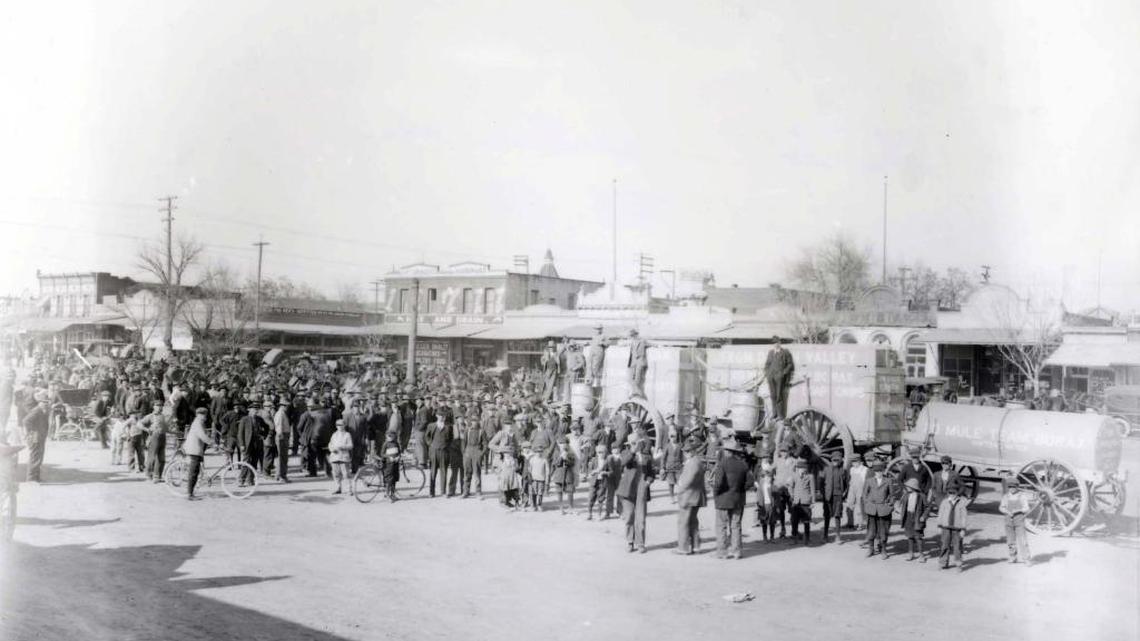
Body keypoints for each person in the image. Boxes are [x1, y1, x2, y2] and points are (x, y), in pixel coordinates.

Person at [712, 440, 751, 559]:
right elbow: (750, 482)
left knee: (721, 526)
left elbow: (718, 483)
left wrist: (715, 493)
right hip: (738, 499)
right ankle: (737, 551)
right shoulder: (743, 464)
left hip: (723, 499)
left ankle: (722, 552)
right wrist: (740, 489)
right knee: (736, 525)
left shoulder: (722, 463)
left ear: (728, 451)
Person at [617, 439, 656, 553]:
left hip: (641, 490)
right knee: (629, 516)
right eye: (633, 444)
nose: (635, 445)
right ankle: (630, 541)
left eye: (637, 443)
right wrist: (632, 452)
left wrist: (648, 482)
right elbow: (623, 462)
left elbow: (651, 473)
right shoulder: (626, 454)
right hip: (627, 490)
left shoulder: (647, 457)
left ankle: (640, 543)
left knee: (641, 518)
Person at [674, 438, 706, 555]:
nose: (686, 453)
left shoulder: (693, 462)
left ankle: (683, 548)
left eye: (688, 451)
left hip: (689, 497)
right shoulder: (696, 461)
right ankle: (696, 547)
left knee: (683, 522)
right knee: (693, 522)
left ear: (693, 451)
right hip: (695, 497)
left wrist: (680, 487)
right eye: (685, 451)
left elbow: (688, 481)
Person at [862, 462, 893, 558]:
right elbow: (864, 494)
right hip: (872, 509)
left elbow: (892, 495)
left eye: (880, 471)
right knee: (871, 530)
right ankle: (870, 549)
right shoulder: (869, 481)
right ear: (874, 472)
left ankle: (883, 550)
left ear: (883, 471)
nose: (878, 473)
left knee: (883, 531)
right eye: (876, 471)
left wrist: (890, 504)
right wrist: (867, 504)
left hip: (883, 509)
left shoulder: (888, 481)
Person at [998, 478, 1032, 565]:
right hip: (1008, 520)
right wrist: (1006, 511)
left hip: (1019, 520)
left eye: (1013, 487)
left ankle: (1026, 558)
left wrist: (1018, 510)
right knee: (1010, 540)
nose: (1011, 489)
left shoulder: (1022, 496)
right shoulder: (1006, 496)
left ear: (1017, 487)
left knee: (1022, 540)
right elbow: (1001, 507)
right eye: (1010, 487)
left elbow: (1026, 508)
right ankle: (1013, 556)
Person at [937, 481, 969, 571]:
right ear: (947, 493)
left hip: (957, 529)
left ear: (957, 493)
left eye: (953, 493)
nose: (951, 494)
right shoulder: (944, 502)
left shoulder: (961, 503)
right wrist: (939, 526)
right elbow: (940, 514)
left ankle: (958, 564)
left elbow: (964, 517)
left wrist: (963, 529)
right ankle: (943, 562)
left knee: (957, 547)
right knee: (944, 545)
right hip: (945, 528)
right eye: (950, 493)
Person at [183, 408, 212, 500]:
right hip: (194, 450)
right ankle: (189, 494)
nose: (205, 416)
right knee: (193, 472)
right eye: (203, 415)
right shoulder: (197, 423)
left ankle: (191, 492)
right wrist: (211, 442)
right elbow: (202, 435)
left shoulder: (199, 422)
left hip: (197, 449)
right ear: (198, 415)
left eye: (205, 414)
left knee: (196, 471)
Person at [140, 400, 172, 483]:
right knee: (152, 457)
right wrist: (147, 429)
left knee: (161, 458)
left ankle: (157, 476)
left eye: (161, 405)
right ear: (153, 406)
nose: (159, 407)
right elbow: (139, 424)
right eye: (157, 405)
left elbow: (166, 428)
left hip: (162, 437)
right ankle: (148, 475)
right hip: (154, 437)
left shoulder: (163, 416)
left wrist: (174, 432)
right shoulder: (150, 416)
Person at [820, 451, 848, 544]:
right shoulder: (826, 469)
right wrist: (823, 494)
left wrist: (844, 493)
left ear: (840, 461)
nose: (835, 461)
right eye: (834, 460)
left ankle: (838, 536)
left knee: (837, 515)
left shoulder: (843, 470)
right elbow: (821, 483)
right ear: (831, 460)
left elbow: (847, 483)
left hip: (838, 496)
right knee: (827, 516)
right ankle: (825, 535)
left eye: (837, 460)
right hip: (828, 496)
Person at [763, 337, 794, 419]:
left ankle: (780, 415)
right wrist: (767, 373)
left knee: (779, 396)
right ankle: (774, 413)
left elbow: (790, 364)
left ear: (780, 343)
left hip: (780, 378)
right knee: (773, 395)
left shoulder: (785, 352)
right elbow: (767, 364)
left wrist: (783, 373)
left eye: (777, 342)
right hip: (771, 377)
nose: (776, 344)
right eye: (774, 343)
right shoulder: (771, 353)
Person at [899, 477, 929, 561]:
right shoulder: (906, 495)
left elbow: (927, 507)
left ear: (913, 487)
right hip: (908, 517)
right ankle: (910, 553)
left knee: (918, 537)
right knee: (909, 536)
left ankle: (921, 555)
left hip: (917, 518)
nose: (907, 487)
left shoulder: (922, 496)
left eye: (908, 486)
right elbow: (901, 504)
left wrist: (924, 516)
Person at [21, 396, 50, 482]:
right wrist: (32, 432)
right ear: (39, 402)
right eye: (44, 402)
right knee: (34, 457)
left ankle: (36, 477)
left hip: (39, 436)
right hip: (34, 436)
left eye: (47, 402)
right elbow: (25, 421)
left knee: (38, 457)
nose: (46, 404)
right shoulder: (37, 411)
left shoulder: (42, 411)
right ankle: (31, 478)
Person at [788, 458, 816, 546]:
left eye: (803, 468)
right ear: (797, 469)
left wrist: (813, 502)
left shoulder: (810, 477)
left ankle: (807, 539)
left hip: (806, 502)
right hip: (796, 502)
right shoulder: (794, 476)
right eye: (799, 468)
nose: (801, 470)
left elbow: (812, 489)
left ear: (806, 468)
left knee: (806, 521)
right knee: (794, 521)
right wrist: (792, 495)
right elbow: (790, 486)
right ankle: (794, 538)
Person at [461, 414, 487, 499]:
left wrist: (481, 454)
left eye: (475, 421)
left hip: (477, 451)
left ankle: (478, 492)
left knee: (477, 473)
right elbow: (463, 442)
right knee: (467, 472)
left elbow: (485, 444)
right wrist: (464, 453)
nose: (474, 423)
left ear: (478, 421)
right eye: (472, 421)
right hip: (468, 451)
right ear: (470, 422)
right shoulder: (467, 430)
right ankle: (465, 491)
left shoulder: (481, 431)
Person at [549, 436, 577, 514]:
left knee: (570, 491)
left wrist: (566, 458)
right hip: (559, 474)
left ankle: (570, 507)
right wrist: (561, 457)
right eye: (561, 443)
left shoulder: (571, 452)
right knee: (559, 491)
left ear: (567, 444)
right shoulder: (556, 453)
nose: (563, 445)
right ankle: (561, 508)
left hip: (568, 474)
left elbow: (572, 463)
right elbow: (555, 464)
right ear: (558, 444)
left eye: (564, 443)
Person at [426, 413, 452, 498]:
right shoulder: (431, 426)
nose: (442, 417)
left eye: (443, 416)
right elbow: (427, 436)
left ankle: (443, 492)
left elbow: (451, 438)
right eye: (440, 416)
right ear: (437, 416)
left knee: (444, 472)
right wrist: (431, 444)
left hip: (444, 452)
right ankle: (431, 492)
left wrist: (446, 446)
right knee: (433, 472)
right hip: (434, 451)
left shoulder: (448, 427)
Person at [585, 444, 612, 521]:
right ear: (596, 453)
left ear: (605, 452)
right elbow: (589, 471)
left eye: (602, 452)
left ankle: (599, 514)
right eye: (599, 452)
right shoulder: (593, 460)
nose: (600, 454)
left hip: (603, 482)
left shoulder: (608, 461)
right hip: (593, 482)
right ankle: (589, 513)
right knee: (591, 497)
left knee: (601, 498)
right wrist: (593, 472)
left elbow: (611, 472)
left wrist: (605, 473)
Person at [772, 446, 794, 538]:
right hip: (780, 488)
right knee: (781, 510)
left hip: (789, 488)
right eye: (782, 451)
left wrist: (792, 480)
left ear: (788, 451)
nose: (784, 453)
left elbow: (796, 472)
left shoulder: (793, 461)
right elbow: (770, 469)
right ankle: (783, 529)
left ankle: (794, 529)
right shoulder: (777, 461)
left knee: (792, 509)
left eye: (785, 451)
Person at [328, 419, 353, 495]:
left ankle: (349, 489)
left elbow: (351, 445)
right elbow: (330, 444)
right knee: (336, 474)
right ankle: (338, 488)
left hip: (343, 457)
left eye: (341, 425)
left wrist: (343, 447)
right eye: (338, 425)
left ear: (344, 425)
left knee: (346, 474)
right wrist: (332, 449)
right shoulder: (334, 434)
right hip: (335, 457)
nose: (339, 427)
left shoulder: (347, 434)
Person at [754, 458, 777, 542]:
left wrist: (776, 506)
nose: (768, 479)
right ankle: (765, 536)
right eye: (765, 477)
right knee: (764, 521)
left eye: (769, 477)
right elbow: (759, 497)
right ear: (763, 478)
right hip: (763, 505)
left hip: (771, 505)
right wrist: (759, 505)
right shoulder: (760, 487)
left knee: (772, 522)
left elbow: (776, 497)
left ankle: (772, 536)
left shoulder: (773, 487)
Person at [845, 455, 868, 530]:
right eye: (852, 462)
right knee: (849, 504)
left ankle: (860, 524)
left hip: (860, 488)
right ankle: (850, 523)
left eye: (855, 462)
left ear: (859, 462)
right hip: (852, 488)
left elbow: (865, 482)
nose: (853, 464)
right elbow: (850, 479)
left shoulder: (864, 469)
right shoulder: (852, 469)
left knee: (859, 506)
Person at [661, 431, 684, 503]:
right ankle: (672, 497)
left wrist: (684, 463)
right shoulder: (667, 446)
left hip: (678, 467)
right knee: (671, 483)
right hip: (669, 467)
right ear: (669, 437)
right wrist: (662, 467)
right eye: (671, 436)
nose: (673, 438)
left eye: (674, 436)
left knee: (680, 482)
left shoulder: (680, 445)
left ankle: (680, 497)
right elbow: (663, 458)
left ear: (677, 437)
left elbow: (682, 455)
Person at [273, 399, 292, 483]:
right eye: (286, 406)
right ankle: (281, 476)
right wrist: (281, 436)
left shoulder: (282, 413)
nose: (287, 407)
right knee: (282, 457)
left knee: (282, 457)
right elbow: (279, 426)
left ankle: (279, 475)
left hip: (283, 436)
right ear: (282, 406)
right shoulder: (280, 414)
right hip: (282, 436)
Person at [626, 329, 648, 397]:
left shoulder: (642, 341)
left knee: (637, 379)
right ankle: (635, 392)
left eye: (633, 335)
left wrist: (658, 345)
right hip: (633, 363)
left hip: (640, 362)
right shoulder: (632, 342)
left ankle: (637, 393)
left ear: (636, 335)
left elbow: (649, 344)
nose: (632, 337)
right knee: (630, 379)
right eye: (631, 336)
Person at [526, 446, 549, 511]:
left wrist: (547, 480)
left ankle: (539, 505)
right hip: (533, 479)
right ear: (535, 452)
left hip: (541, 479)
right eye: (537, 452)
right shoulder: (532, 460)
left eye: (540, 452)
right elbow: (529, 469)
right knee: (533, 492)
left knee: (540, 493)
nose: (539, 453)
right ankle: (533, 505)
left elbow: (547, 470)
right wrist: (530, 477)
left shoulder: (544, 460)